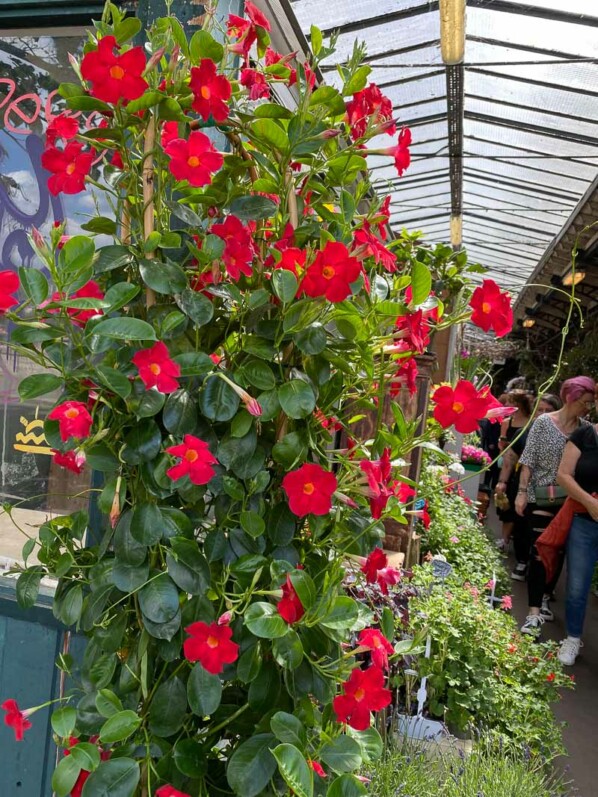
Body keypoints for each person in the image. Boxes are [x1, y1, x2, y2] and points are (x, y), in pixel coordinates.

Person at [516, 377, 596, 636]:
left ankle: (545, 594)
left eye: (590, 403)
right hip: (541, 495)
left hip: (570, 501)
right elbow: (527, 460)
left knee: (558, 551)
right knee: (540, 549)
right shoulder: (543, 423)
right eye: (585, 402)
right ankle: (533, 612)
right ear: (571, 398)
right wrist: (521, 491)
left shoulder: (584, 430)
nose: (587, 408)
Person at [555, 400, 598, 665]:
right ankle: (572, 639)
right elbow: (563, 474)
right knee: (577, 586)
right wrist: (590, 502)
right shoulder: (585, 434)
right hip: (584, 520)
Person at [495, 390, 532, 553]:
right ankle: (505, 538)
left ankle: (511, 537)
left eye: (510, 401)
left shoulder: (531, 422)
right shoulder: (507, 423)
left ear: (517, 404)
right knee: (505, 504)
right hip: (509, 463)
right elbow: (501, 444)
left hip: (523, 468)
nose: (507, 405)